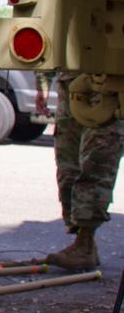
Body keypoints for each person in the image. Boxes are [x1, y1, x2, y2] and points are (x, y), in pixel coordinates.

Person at [38, 69, 124, 270]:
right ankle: (83, 243)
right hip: (71, 82)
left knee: (96, 162)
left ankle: (85, 243)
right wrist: (42, 83)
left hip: (110, 83)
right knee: (68, 165)